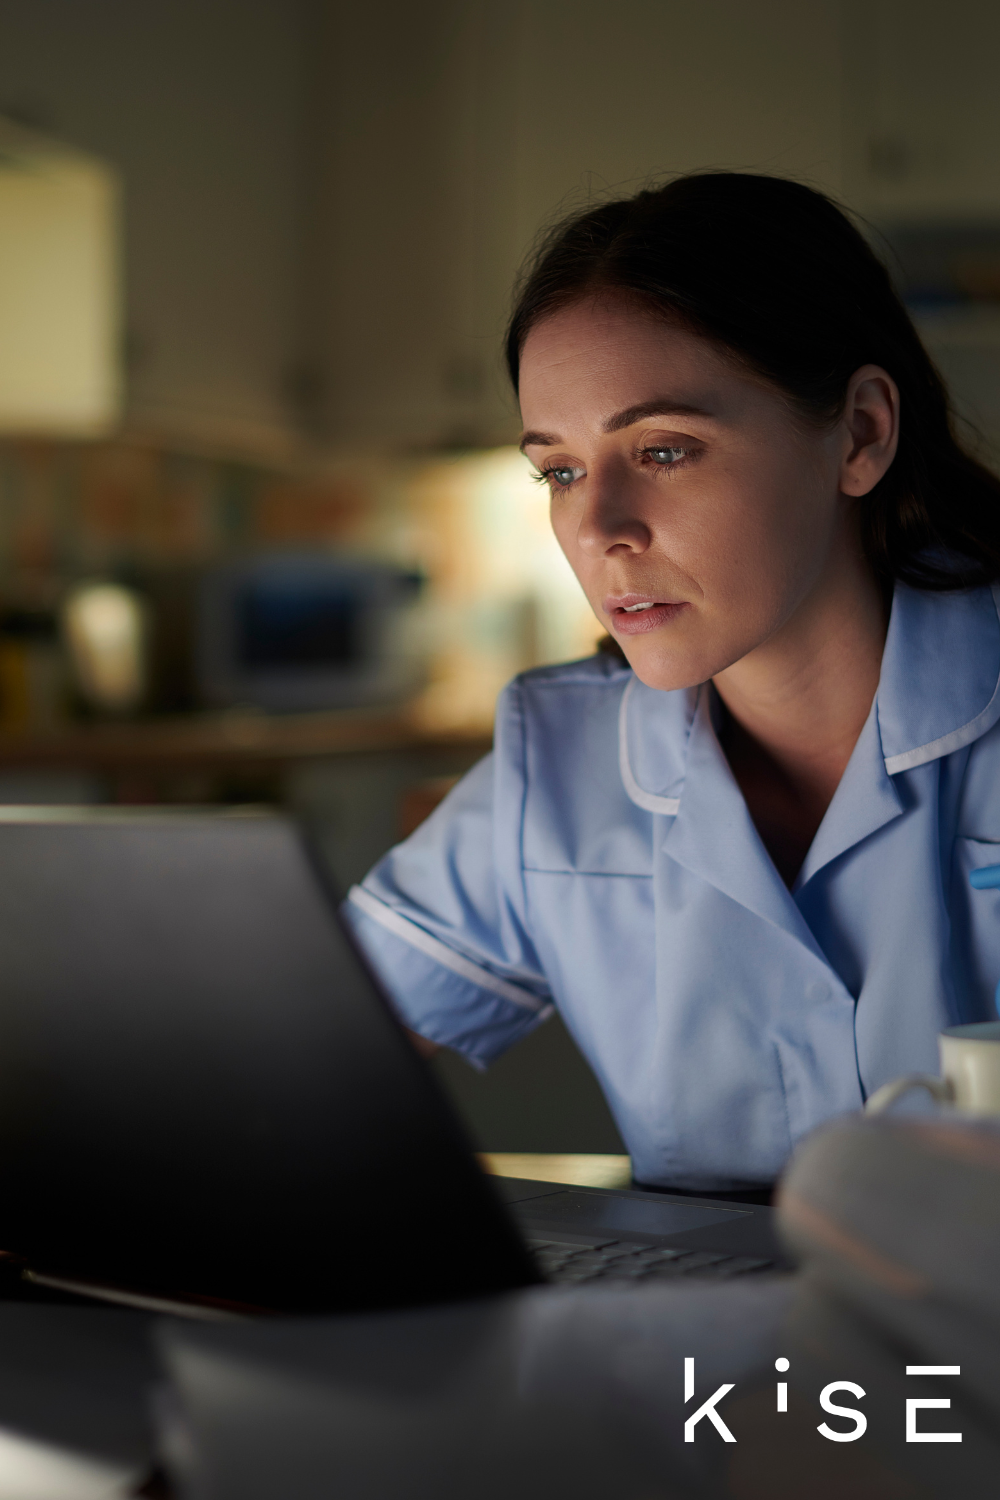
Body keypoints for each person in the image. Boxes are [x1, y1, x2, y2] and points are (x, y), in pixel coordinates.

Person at [342, 172, 1000, 1199]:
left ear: (861, 434)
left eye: (662, 449)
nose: (599, 526)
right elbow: (292, 1056)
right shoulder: (555, 763)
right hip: (707, 1361)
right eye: (557, 470)